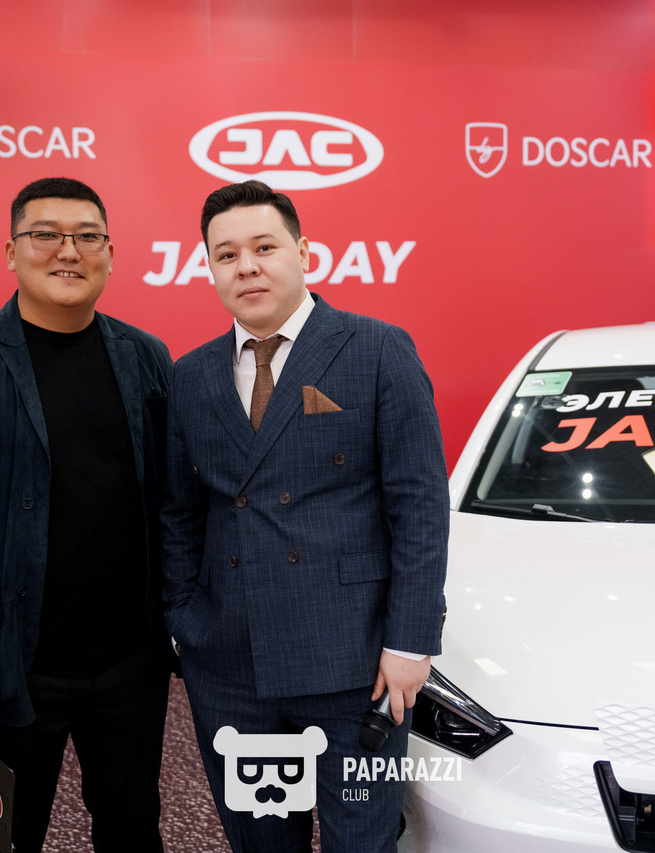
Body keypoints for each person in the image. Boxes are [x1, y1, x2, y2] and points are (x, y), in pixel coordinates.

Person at [0, 177, 173, 852]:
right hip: (4, 665)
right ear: (11, 252)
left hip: (130, 665)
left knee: (133, 828)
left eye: (88, 236)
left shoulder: (146, 358)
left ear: (110, 254)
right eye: (45, 234)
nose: (68, 251)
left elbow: (170, 508)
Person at [162, 180, 449, 853]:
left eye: (264, 247)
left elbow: (419, 505)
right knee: (260, 841)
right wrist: (184, 619)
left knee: (362, 839)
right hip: (231, 667)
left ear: (304, 252)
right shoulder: (191, 375)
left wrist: (411, 643)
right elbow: (178, 512)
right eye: (226, 254)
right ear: (210, 268)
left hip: (355, 663)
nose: (246, 266)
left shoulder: (378, 349)